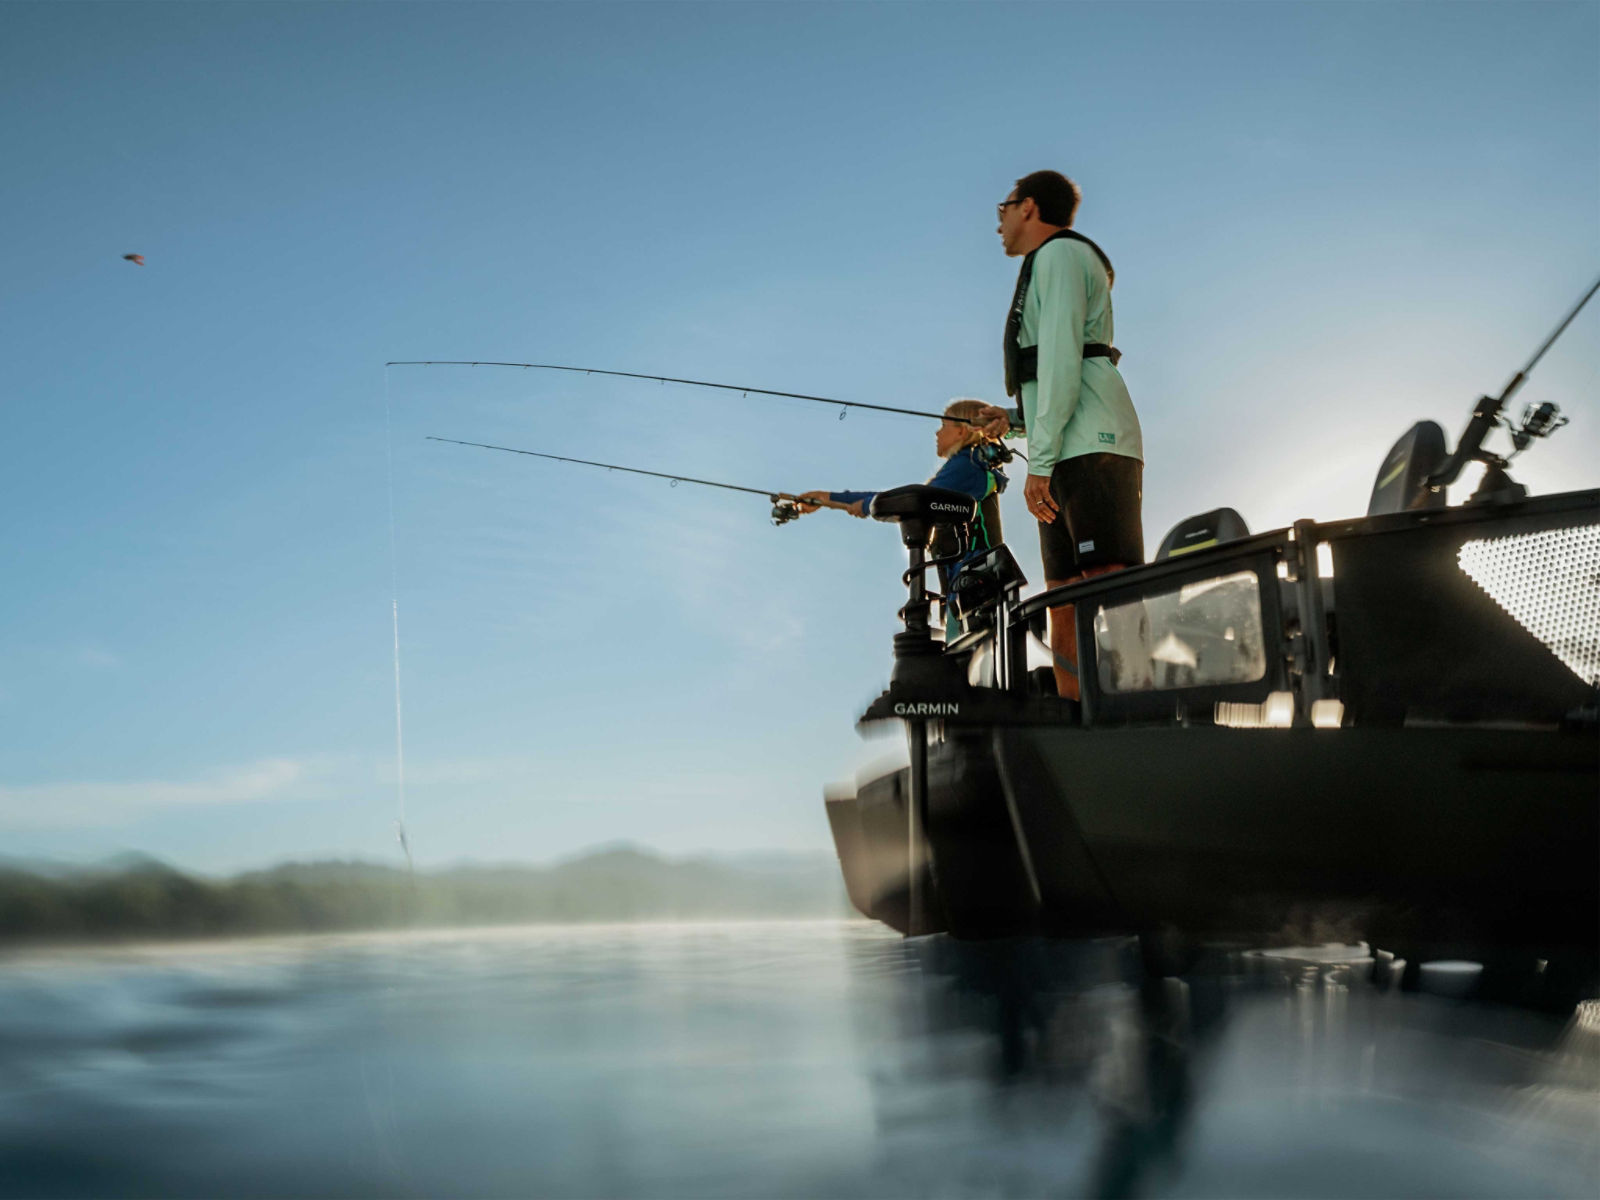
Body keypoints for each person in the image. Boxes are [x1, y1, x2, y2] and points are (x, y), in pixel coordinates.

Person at [976, 170, 1145, 701]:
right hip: (1065, 450)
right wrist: (1016, 420)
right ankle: (1077, 723)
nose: (997, 221)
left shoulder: (1061, 257)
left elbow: (1063, 363)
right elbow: (1052, 378)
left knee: (1106, 584)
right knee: (1064, 598)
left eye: (1002, 208)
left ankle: (1132, 712)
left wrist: (1039, 465)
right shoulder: (1043, 264)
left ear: (1027, 207)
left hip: (1093, 447)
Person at [796, 398, 1008, 635]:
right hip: (972, 589)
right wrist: (829, 499)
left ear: (961, 430)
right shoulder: (973, 465)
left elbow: (914, 501)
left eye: (944, 425)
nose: (937, 433)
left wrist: (862, 504)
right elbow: (912, 498)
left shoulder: (966, 465)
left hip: (975, 592)